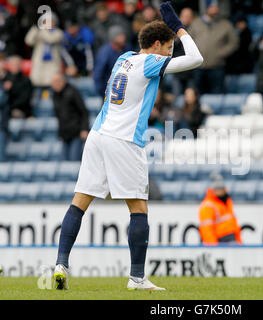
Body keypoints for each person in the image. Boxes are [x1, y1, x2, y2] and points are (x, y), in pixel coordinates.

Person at [53, 2, 203, 291]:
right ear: (157, 44)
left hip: (98, 134)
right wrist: (180, 28)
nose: (170, 55)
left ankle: (61, 264)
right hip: (124, 140)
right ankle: (136, 278)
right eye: (169, 48)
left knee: (80, 202)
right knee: (138, 208)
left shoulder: (123, 58)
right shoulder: (150, 62)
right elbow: (196, 59)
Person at [188, 0, 239, 93]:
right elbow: (187, 41)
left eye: (216, 7)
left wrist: (221, 53)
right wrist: (194, 54)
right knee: (198, 94)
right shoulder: (196, 23)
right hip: (199, 66)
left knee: (217, 93)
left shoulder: (225, 24)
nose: (216, 9)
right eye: (212, 7)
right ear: (207, 8)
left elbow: (234, 42)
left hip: (217, 66)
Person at [51, 73, 90, 161]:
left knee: (73, 160)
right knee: (64, 161)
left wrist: (84, 129)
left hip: (76, 132)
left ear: (63, 81)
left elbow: (84, 111)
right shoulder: (54, 95)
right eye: (53, 82)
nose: (56, 84)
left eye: (58, 81)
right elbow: (59, 116)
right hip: (64, 134)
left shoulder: (73, 92)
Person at [198, 173, 242, 245]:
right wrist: (214, 248)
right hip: (220, 241)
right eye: (217, 189)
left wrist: (239, 243)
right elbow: (207, 230)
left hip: (232, 240)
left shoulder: (227, 202)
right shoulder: (208, 206)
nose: (219, 191)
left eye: (221, 188)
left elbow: (234, 226)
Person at [24, 13, 64, 89]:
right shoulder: (38, 31)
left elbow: (51, 39)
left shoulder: (58, 32)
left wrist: (42, 31)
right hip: (40, 63)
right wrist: (34, 29)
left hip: (52, 63)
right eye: (46, 21)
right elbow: (28, 41)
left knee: (52, 83)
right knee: (37, 85)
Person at [93, 25, 131, 98]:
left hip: (124, 88)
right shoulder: (105, 52)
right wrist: (104, 93)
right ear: (114, 38)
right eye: (120, 36)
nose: (123, 37)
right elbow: (98, 74)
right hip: (108, 91)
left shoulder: (127, 48)